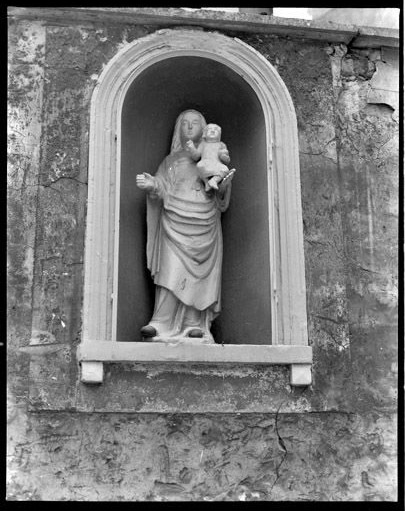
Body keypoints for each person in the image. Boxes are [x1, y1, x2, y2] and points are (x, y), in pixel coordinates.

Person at [135, 109, 234, 343]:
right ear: (179, 129)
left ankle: (193, 324)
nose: (190, 127)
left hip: (205, 222)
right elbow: (162, 185)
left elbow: (221, 192)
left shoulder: (211, 157)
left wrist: (222, 184)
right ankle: (161, 322)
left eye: (195, 123)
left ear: (205, 127)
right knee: (171, 270)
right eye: (185, 123)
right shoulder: (171, 162)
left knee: (201, 274)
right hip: (174, 220)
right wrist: (152, 184)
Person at [186, 123, 236, 191]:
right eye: (210, 129)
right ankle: (206, 182)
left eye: (215, 130)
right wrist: (192, 148)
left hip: (216, 165)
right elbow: (196, 156)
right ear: (205, 134)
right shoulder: (203, 144)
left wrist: (224, 157)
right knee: (199, 166)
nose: (212, 131)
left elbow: (226, 160)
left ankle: (214, 180)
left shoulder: (221, 145)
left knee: (225, 169)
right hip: (205, 164)